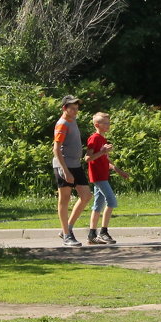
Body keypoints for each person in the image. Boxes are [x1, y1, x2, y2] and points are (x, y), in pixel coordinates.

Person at [51, 94, 92, 247]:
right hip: (64, 165)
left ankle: (66, 228)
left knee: (86, 196)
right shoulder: (62, 124)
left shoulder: (72, 120)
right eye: (72, 108)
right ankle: (67, 235)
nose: (75, 111)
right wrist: (65, 171)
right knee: (64, 199)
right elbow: (56, 149)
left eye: (76, 108)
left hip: (75, 164)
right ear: (64, 108)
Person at [84, 111, 130, 245]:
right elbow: (88, 158)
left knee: (98, 205)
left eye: (109, 122)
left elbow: (105, 160)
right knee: (111, 201)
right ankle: (103, 232)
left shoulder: (103, 139)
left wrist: (118, 170)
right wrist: (102, 151)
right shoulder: (94, 138)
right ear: (97, 125)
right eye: (105, 123)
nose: (108, 125)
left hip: (103, 175)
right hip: (98, 176)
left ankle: (92, 235)